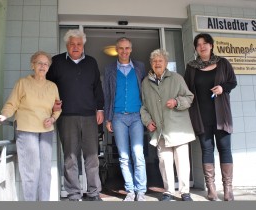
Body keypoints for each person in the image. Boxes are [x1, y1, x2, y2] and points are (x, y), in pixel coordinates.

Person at [46, 29, 104, 201]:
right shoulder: (56, 62)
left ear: (83, 45)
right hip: (66, 116)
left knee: (92, 157)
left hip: (89, 117)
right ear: (67, 45)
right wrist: (52, 104)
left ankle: (94, 193)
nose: (76, 47)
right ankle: (73, 194)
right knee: (70, 157)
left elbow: (97, 88)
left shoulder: (91, 62)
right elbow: (48, 86)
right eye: (72, 44)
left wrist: (100, 109)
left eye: (79, 44)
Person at [0, 51, 62, 201]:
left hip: (46, 130)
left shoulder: (52, 87)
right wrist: (5, 115)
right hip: (26, 130)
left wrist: (52, 119)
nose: (43, 66)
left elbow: (57, 107)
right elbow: (12, 103)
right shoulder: (23, 83)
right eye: (39, 63)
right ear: (33, 65)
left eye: (46, 64)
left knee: (45, 170)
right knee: (31, 170)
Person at [184, 33, 237, 201]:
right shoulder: (191, 67)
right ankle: (211, 188)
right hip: (201, 116)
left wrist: (223, 88)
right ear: (196, 48)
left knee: (225, 149)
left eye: (205, 43)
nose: (202, 46)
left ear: (211, 45)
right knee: (207, 150)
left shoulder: (223, 63)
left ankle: (228, 189)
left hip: (221, 115)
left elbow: (232, 82)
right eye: (198, 44)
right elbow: (186, 90)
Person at [140, 49, 196, 201]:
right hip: (160, 130)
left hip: (179, 129)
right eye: (154, 61)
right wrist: (147, 122)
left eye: (160, 61)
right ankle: (169, 191)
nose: (157, 63)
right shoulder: (145, 82)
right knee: (164, 162)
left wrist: (177, 102)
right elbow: (144, 106)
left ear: (165, 63)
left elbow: (189, 97)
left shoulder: (176, 78)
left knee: (182, 162)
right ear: (151, 64)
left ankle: (185, 192)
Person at [103, 37, 147, 201]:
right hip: (118, 117)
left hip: (136, 116)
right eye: (121, 48)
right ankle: (130, 190)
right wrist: (108, 118)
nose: (124, 51)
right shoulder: (109, 69)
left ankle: (141, 190)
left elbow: (146, 91)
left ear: (131, 49)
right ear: (116, 49)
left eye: (127, 48)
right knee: (123, 156)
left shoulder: (140, 67)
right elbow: (107, 94)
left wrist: (147, 114)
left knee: (138, 153)